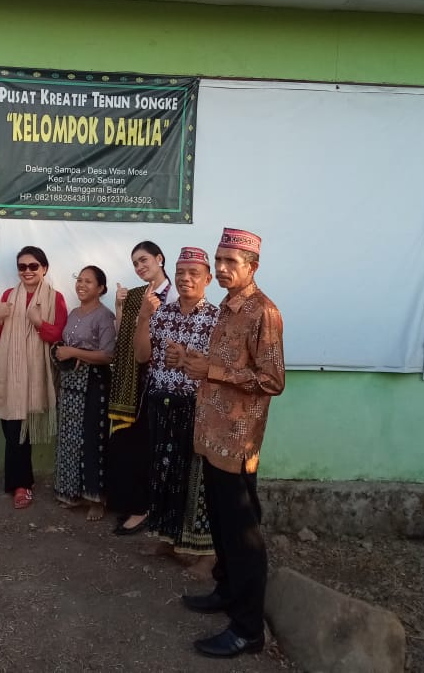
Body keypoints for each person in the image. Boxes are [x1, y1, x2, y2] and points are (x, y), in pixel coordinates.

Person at [174, 228, 285, 659]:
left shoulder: (263, 312)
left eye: (230, 263)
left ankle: (247, 630)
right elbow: (219, 367)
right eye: (219, 261)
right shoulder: (226, 306)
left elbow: (273, 380)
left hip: (238, 441)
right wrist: (193, 364)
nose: (221, 269)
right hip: (212, 435)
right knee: (220, 523)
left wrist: (214, 373)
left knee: (243, 535)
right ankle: (226, 592)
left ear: (252, 267)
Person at [134, 247, 218, 568]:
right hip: (161, 404)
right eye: (181, 272)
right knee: (163, 475)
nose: (185, 278)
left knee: (193, 479)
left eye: (194, 273)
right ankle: (168, 540)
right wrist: (143, 318)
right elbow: (142, 356)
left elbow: (220, 366)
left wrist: (189, 361)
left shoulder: (216, 319)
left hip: (196, 409)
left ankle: (198, 549)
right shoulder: (163, 314)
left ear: (208, 279)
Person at [106, 240, 178, 534]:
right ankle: (132, 504)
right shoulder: (137, 295)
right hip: (131, 380)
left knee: (149, 447)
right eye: (135, 263)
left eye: (144, 260)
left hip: (160, 380)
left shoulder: (174, 295)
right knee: (127, 444)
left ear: (160, 259)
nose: (139, 267)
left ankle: (147, 508)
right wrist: (119, 306)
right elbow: (122, 334)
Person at [0, 246, 67, 510]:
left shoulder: (55, 298)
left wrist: (38, 323)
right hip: (9, 373)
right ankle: (20, 482)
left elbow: (58, 337)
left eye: (33, 266)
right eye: (22, 267)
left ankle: (21, 484)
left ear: (44, 268)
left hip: (36, 376)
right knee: (12, 430)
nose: (27, 271)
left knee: (21, 433)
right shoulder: (10, 296)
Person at [52, 266, 116, 521]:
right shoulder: (74, 313)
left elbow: (108, 355)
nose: (81, 284)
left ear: (100, 288)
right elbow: (67, 347)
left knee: (92, 441)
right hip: (70, 384)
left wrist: (73, 353)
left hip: (94, 384)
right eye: (79, 280)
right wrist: (61, 353)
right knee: (69, 438)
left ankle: (96, 500)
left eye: (88, 281)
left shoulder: (105, 316)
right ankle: (72, 492)